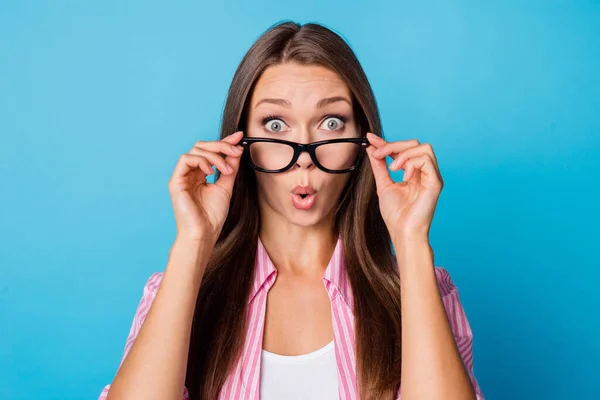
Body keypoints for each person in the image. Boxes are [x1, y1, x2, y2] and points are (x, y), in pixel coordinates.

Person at [99, 21, 484, 400]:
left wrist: (411, 239)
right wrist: (194, 242)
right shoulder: (179, 291)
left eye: (331, 123)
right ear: (241, 142)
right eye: (276, 124)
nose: (304, 156)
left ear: (363, 143)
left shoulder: (419, 291)